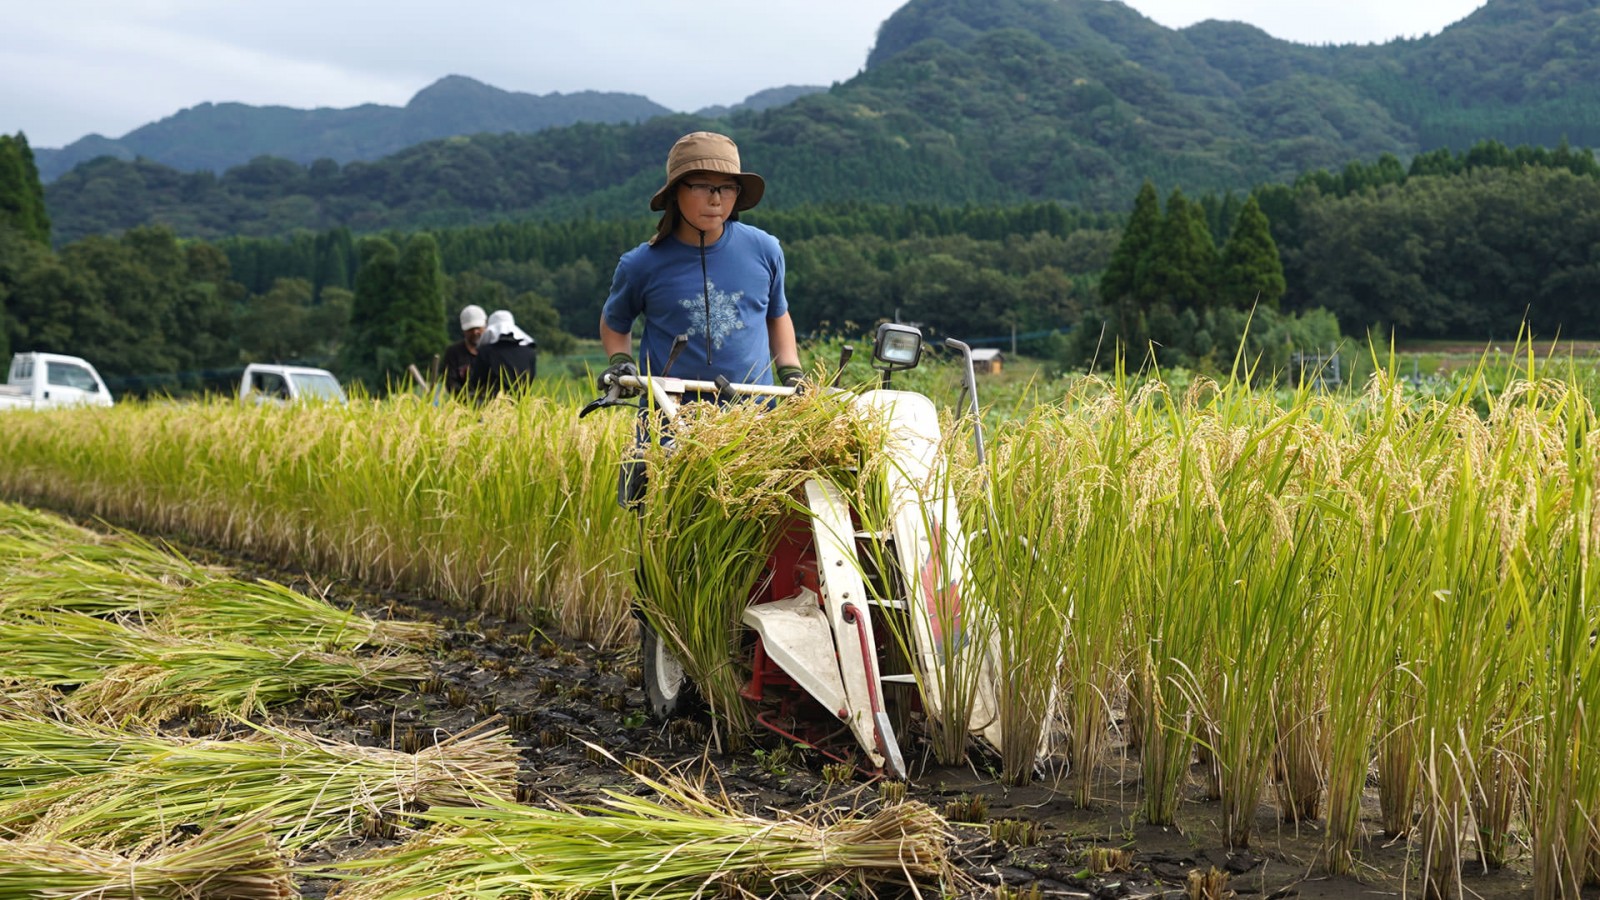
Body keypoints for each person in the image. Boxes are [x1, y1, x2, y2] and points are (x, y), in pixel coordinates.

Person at [597, 131, 801, 398]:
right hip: (670, 419)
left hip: (755, 420)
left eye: (727, 188)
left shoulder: (764, 249)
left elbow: (776, 314)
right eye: (702, 186)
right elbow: (615, 321)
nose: (716, 199)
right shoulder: (641, 264)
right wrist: (621, 362)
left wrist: (791, 372)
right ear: (675, 192)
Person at [466, 309, 537, 401]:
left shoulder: (486, 352)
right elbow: (529, 381)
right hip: (521, 406)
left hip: (493, 406)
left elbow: (476, 382)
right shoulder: (529, 352)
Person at [442, 305, 487, 395]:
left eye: (478, 328)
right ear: (463, 330)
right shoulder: (453, 352)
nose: (475, 332)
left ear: (485, 326)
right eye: (470, 329)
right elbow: (450, 382)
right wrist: (469, 398)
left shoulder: (493, 351)